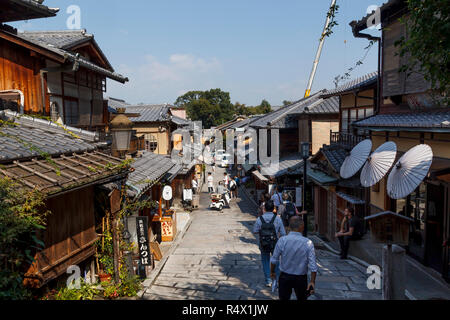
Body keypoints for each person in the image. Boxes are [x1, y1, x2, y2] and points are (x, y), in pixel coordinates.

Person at [270, 216, 318, 301]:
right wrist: (312, 282)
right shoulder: (308, 243)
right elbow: (313, 266)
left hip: (285, 276)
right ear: (302, 227)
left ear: (289, 227)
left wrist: (272, 271)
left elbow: (274, 259)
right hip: (301, 278)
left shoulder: (282, 240)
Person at [253, 200, 286, 287]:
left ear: (264, 208)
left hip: (263, 243)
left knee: (265, 260)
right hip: (275, 243)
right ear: (273, 209)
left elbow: (255, 231)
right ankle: (278, 280)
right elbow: (283, 233)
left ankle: (268, 280)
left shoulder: (259, 219)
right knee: (276, 261)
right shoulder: (278, 219)